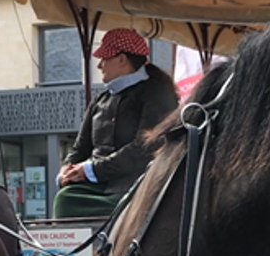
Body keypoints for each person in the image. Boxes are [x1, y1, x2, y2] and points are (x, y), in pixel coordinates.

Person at [53, 28, 179, 218]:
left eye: (104, 59)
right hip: (96, 189)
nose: (100, 66)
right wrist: (66, 170)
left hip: (138, 186)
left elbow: (144, 148)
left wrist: (91, 169)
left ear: (122, 60)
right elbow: (80, 148)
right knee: (65, 199)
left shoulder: (157, 94)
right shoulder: (100, 100)